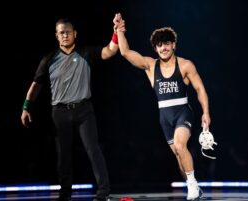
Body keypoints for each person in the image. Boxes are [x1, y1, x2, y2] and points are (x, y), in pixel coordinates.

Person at [21, 14, 122, 201]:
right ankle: (65, 194)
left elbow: (110, 51)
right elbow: (36, 84)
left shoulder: (86, 53)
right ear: (56, 36)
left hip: (84, 110)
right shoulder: (49, 59)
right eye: (61, 33)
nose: (65, 35)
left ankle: (103, 192)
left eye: (68, 32)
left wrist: (116, 32)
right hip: (59, 113)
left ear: (75, 33)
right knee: (63, 155)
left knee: (93, 149)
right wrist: (26, 107)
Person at [116, 18, 210, 200]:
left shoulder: (185, 65)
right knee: (178, 154)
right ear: (155, 48)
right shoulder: (150, 66)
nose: (163, 48)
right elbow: (126, 52)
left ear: (173, 45)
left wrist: (205, 112)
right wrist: (120, 30)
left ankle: (192, 186)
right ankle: (194, 186)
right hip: (164, 117)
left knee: (181, 145)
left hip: (183, 112)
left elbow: (200, 89)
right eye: (159, 45)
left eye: (166, 44)